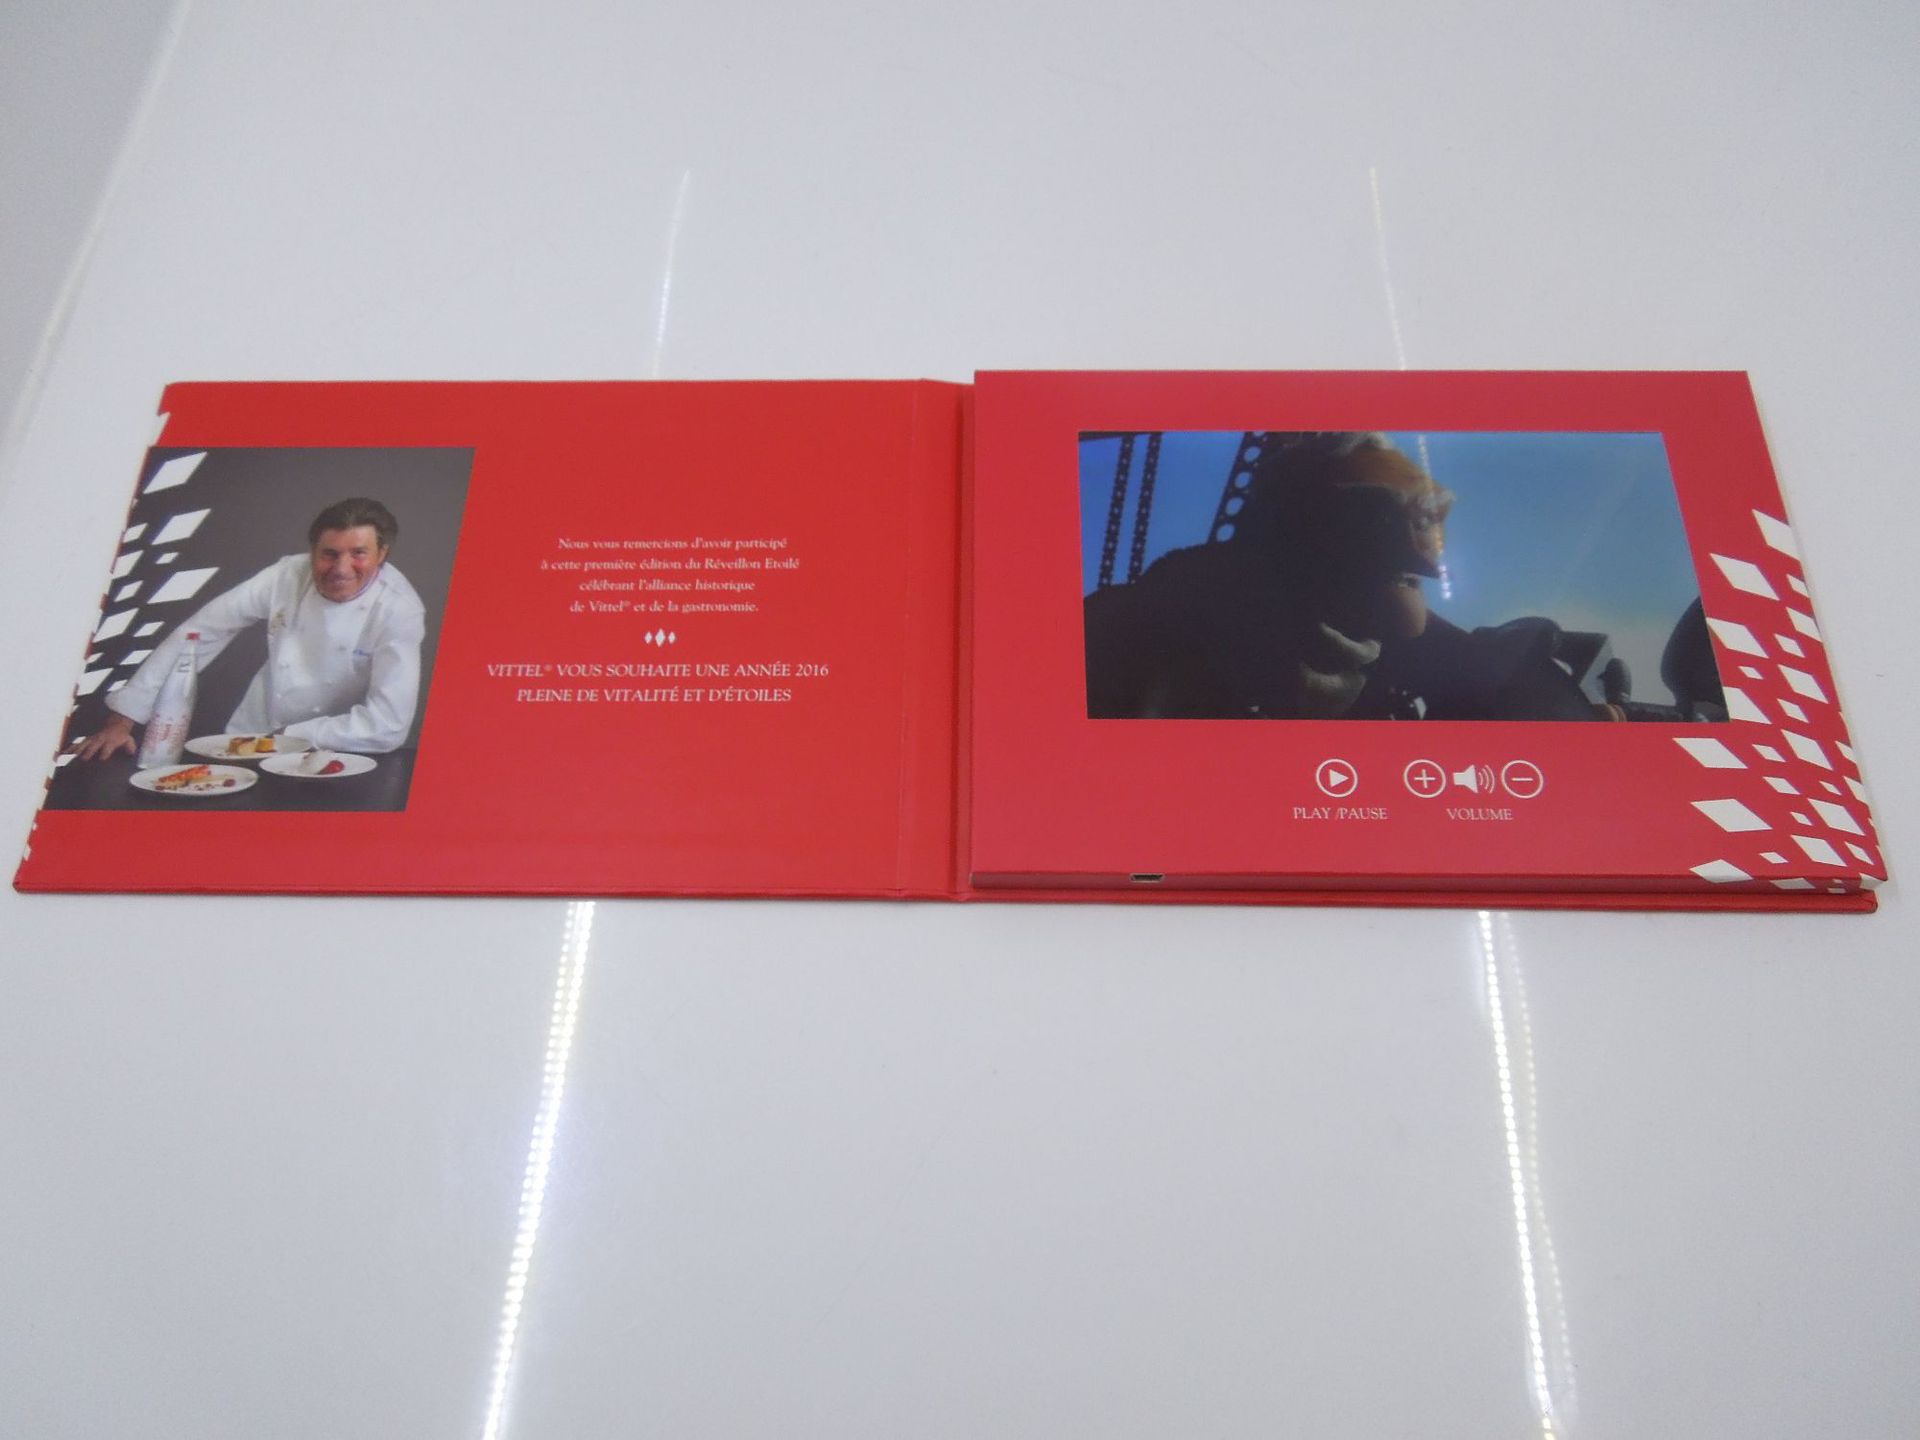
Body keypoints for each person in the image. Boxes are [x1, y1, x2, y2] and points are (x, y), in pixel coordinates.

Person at [1083, 432, 1601, 721]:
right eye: (1380, 522)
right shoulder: (1137, 638)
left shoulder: (1387, 649)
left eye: (1431, 519)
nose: (1429, 566)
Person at [76, 498, 426, 758]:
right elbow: (200, 632)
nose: (341, 568)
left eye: (358, 553)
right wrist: (122, 721)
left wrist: (291, 735)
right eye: (329, 554)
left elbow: (388, 724)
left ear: (382, 554)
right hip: (253, 739)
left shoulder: (398, 609)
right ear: (312, 551)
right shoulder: (287, 576)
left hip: (341, 753)